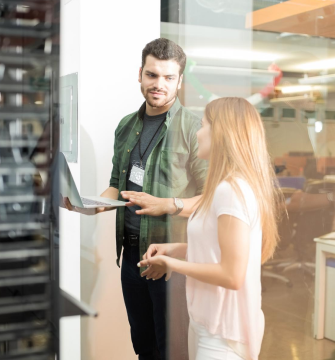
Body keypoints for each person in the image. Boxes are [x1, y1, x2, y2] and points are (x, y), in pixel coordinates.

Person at [63, 38, 208, 360]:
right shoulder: (126, 126)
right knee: (143, 346)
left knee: (172, 349)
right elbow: (117, 184)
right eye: (153, 75)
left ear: (180, 81)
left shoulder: (194, 128)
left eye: (169, 78)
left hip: (172, 260)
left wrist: (169, 204)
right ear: (140, 74)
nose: (159, 85)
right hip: (131, 255)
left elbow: (211, 198)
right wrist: (90, 205)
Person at [138, 97, 283, 360]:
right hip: (208, 324)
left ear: (221, 134)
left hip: (223, 335)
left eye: (203, 125)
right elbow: (217, 248)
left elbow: (231, 275)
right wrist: (176, 250)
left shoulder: (231, 191)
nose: (198, 132)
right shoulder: (223, 188)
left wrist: (172, 264)